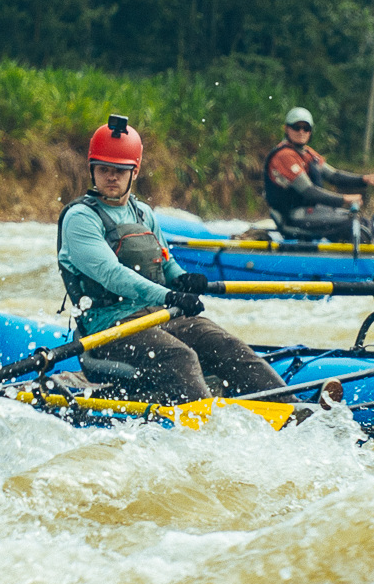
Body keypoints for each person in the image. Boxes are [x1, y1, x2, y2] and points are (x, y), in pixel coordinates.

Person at [58, 115, 294, 406]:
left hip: (159, 316)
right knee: (181, 357)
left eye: (120, 170)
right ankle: (209, 429)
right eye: (104, 169)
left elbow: (165, 262)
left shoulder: (143, 213)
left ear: (135, 171)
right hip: (110, 330)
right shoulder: (80, 219)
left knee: (225, 345)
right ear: (91, 169)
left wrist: (181, 277)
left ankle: (292, 410)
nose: (111, 177)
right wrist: (170, 294)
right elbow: (111, 274)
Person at [262, 107, 374, 242]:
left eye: (306, 128)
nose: (301, 132)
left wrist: (365, 179)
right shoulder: (284, 156)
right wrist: (345, 199)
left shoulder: (307, 153)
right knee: (352, 224)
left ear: (311, 131)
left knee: (362, 222)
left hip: (312, 211)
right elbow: (309, 192)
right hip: (294, 216)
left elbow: (334, 176)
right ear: (287, 129)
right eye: (296, 127)